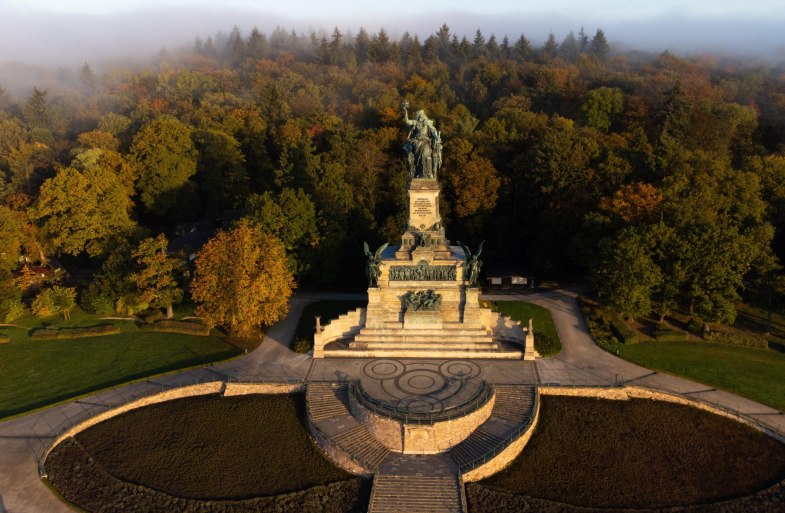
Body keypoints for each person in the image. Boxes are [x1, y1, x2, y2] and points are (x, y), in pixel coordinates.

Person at [402, 101, 442, 179]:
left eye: (422, 115)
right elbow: (407, 121)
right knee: (419, 155)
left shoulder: (427, 123)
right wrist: (405, 111)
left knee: (426, 151)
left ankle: (428, 173)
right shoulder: (415, 123)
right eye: (419, 115)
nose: (421, 116)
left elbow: (433, 132)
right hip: (416, 141)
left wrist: (437, 138)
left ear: (424, 116)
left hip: (426, 141)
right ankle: (420, 172)